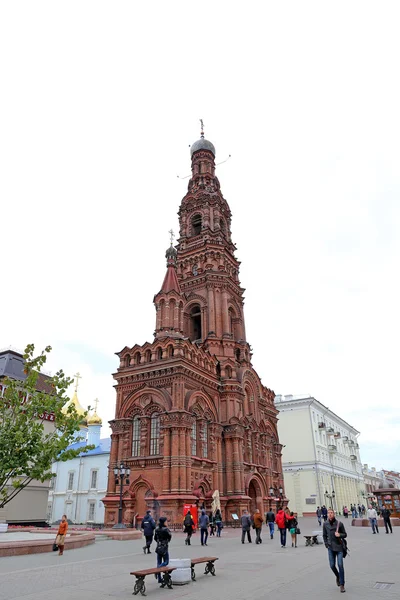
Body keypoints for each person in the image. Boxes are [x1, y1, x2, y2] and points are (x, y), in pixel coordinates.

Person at [323, 508, 347, 593]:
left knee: (340, 565)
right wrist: (326, 544)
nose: (330, 514)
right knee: (332, 565)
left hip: (339, 547)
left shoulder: (339, 524)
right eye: (328, 513)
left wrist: (339, 534)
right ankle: (338, 576)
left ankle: (342, 584)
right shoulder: (325, 524)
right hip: (330, 548)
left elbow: (345, 534)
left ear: (334, 514)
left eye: (331, 513)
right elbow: (324, 535)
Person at [154, 517, 172, 583]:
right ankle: (157, 570)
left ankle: (159, 578)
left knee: (159, 561)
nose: (167, 522)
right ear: (164, 522)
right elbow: (169, 536)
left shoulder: (157, 529)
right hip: (164, 547)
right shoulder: (165, 529)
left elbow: (155, 538)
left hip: (158, 547)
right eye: (166, 521)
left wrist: (159, 542)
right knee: (166, 562)